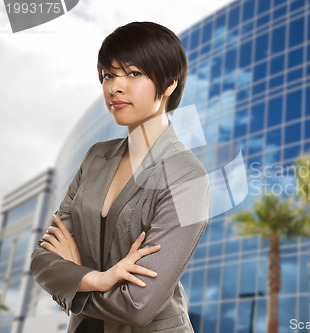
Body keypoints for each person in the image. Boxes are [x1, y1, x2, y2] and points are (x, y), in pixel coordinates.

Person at [30, 21, 210, 333]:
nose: (115, 87)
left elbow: (139, 304)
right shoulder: (96, 157)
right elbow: (41, 260)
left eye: (134, 73)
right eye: (108, 75)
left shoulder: (188, 176)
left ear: (169, 84)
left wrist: (73, 278)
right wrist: (97, 278)